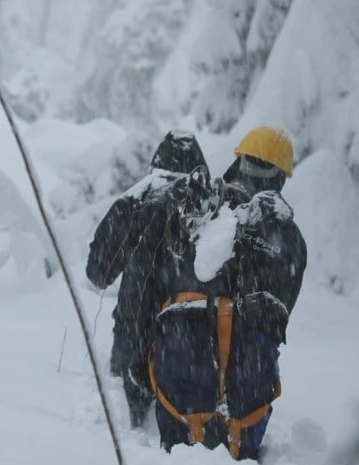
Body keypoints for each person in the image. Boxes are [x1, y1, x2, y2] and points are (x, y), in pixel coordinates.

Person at [120, 126, 306, 460]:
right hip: (245, 396)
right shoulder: (289, 239)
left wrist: (136, 357)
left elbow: (148, 286)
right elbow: (281, 314)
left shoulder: (197, 209)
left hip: (178, 382)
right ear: (280, 177)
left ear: (239, 162)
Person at [86, 130, 208, 428]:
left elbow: (98, 272)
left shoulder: (140, 197)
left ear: (157, 162)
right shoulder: (210, 207)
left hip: (134, 347)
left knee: (130, 430)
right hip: (193, 352)